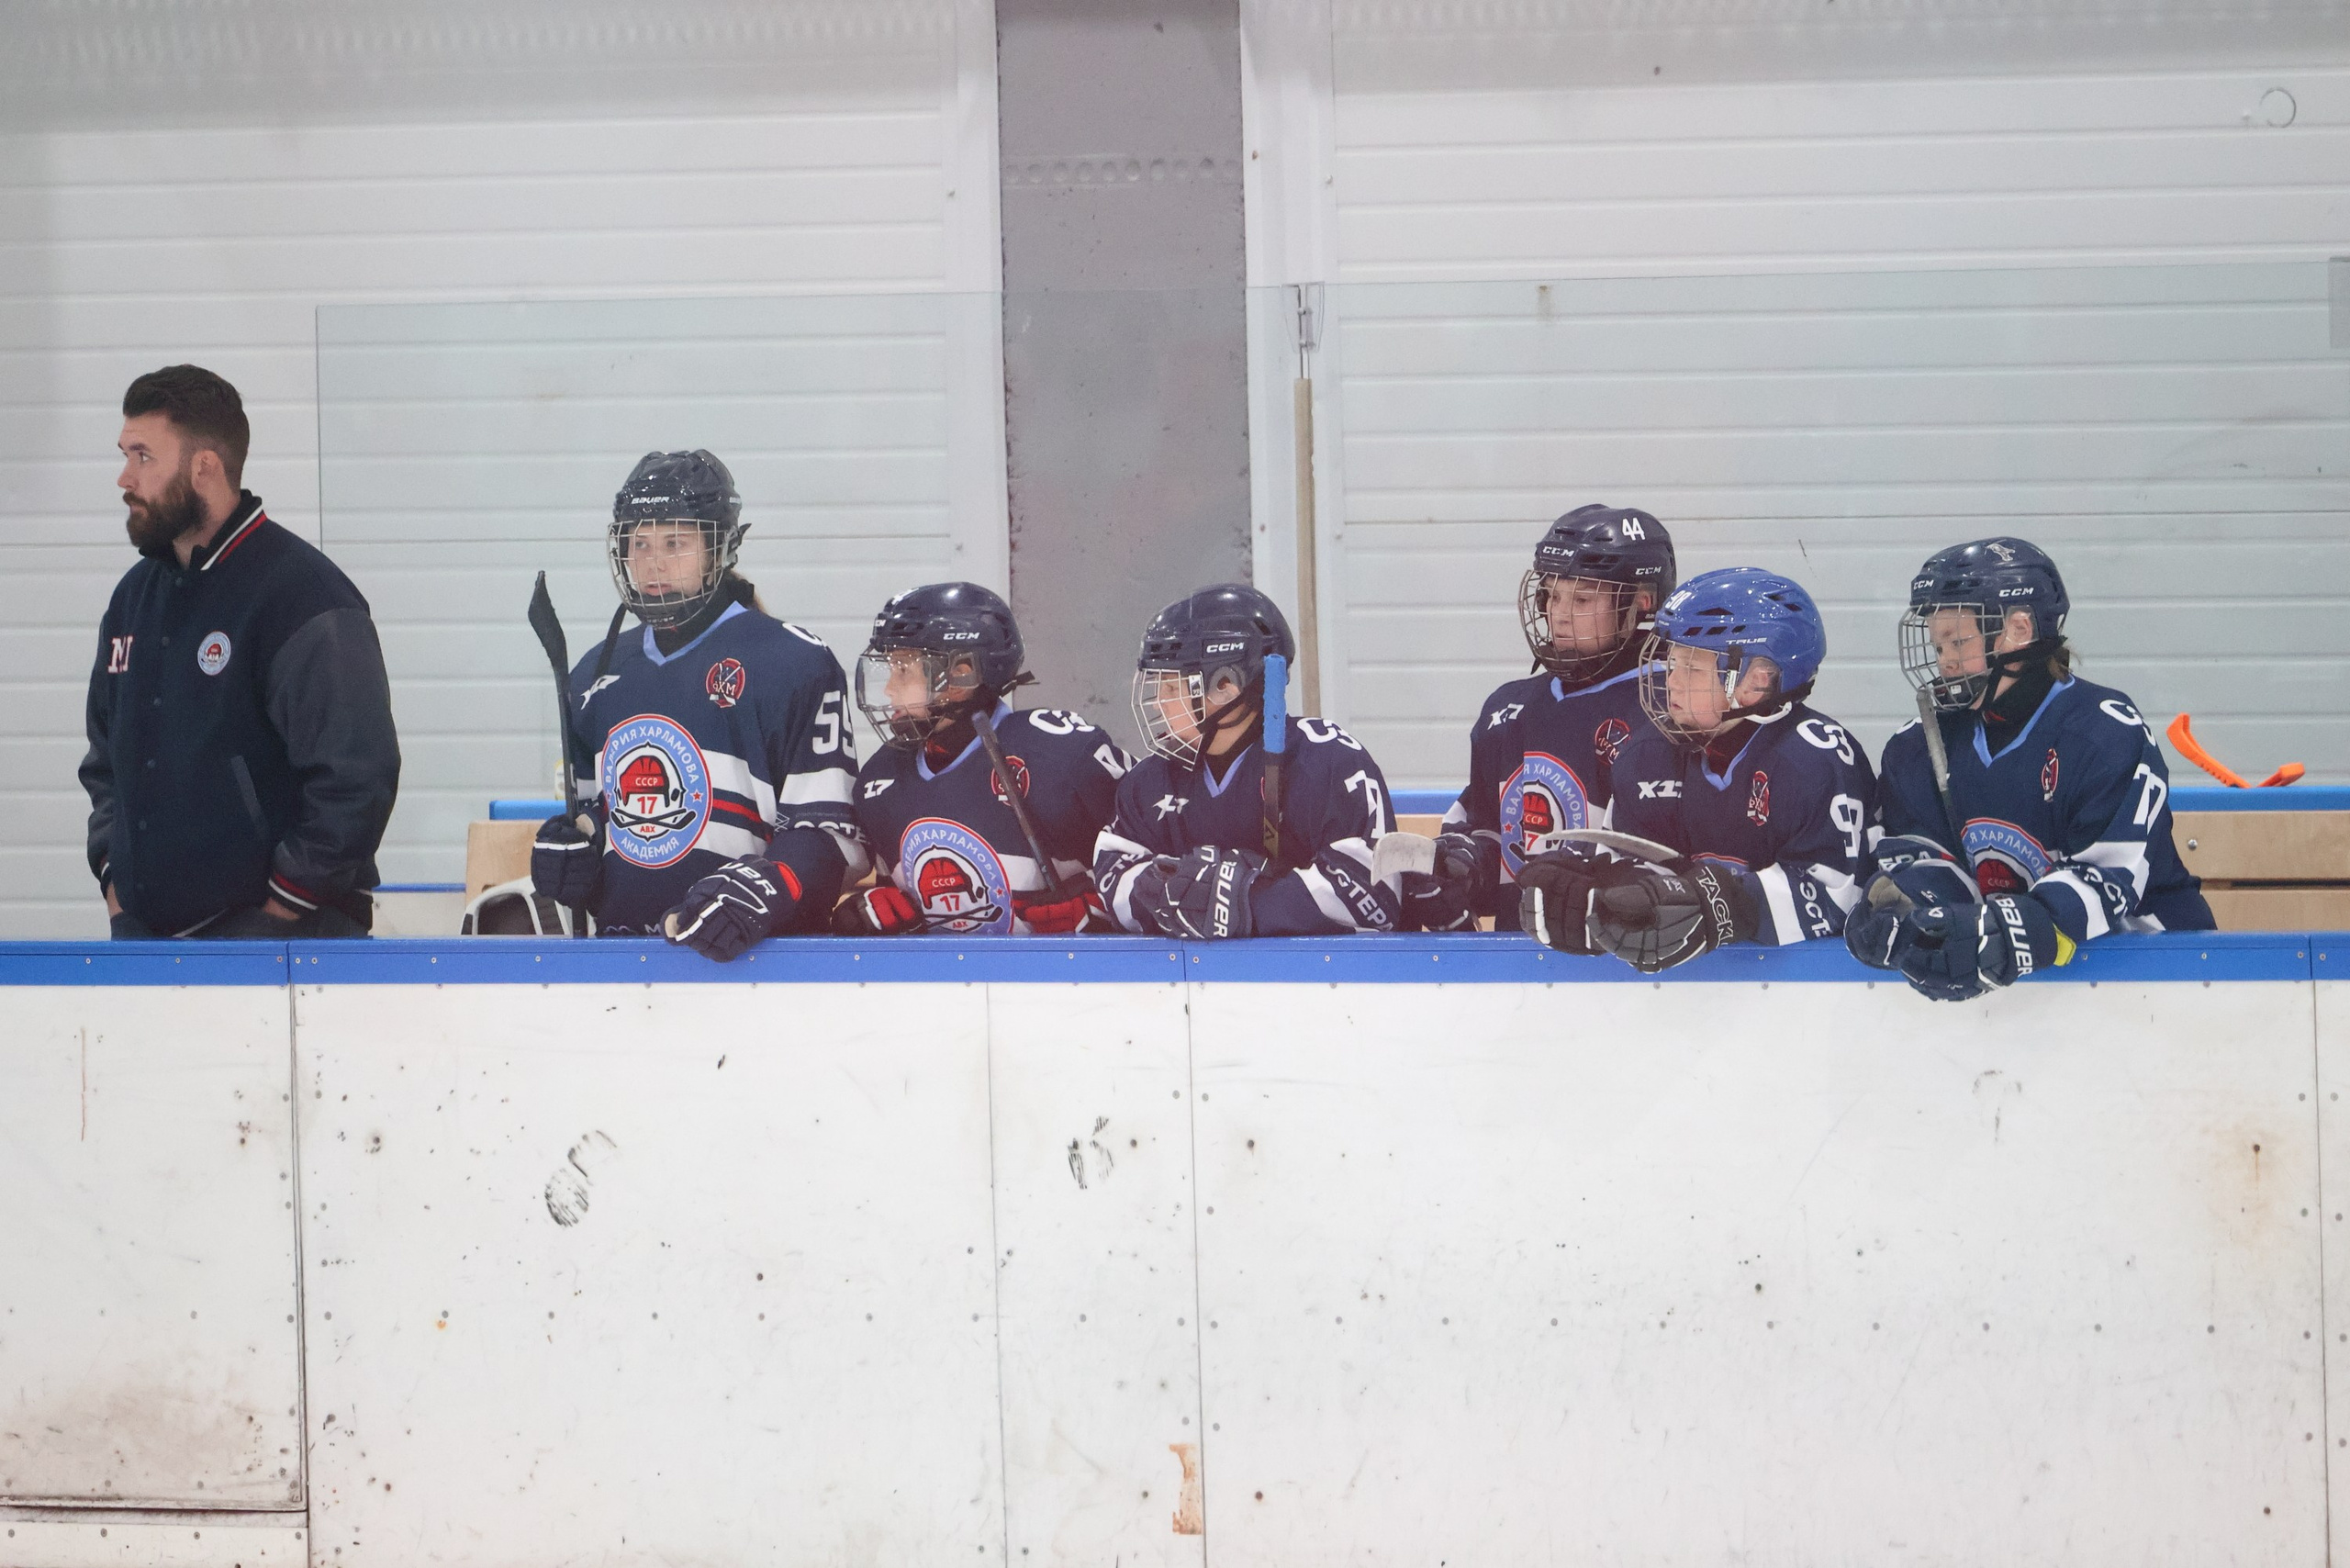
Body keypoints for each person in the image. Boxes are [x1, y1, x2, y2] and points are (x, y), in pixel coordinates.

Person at [81, 364, 399, 939]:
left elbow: (356, 779)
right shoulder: (131, 600)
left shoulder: (304, 596)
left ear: (204, 467)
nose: (124, 477)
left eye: (143, 456)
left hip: (283, 944)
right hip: (145, 941)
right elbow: (106, 763)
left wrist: (275, 915)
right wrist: (115, 884)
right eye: (125, 454)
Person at [529, 450, 867, 958]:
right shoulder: (594, 674)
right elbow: (600, 817)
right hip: (622, 962)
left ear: (719, 547)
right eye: (638, 543)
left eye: (675, 543)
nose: (653, 562)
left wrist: (768, 889)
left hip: (757, 963)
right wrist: (576, 859)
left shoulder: (793, 662)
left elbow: (833, 837)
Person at [1846, 538, 2211, 1001]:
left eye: (1958, 641)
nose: (1944, 661)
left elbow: (2109, 880)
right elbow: (1929, 859)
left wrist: (2017, 929)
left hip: (2156, 970)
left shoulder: (2103, 730)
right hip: (2021, 989)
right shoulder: (1919, 745)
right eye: (1939, 645)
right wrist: (1913, 909)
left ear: (2018, 629)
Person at [1517, 567, 1876, 971]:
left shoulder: (1814, 759)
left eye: (1692, 666)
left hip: (1817, 1007)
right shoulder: (1647, 755)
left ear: (1756, 682)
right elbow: (1633, 868)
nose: (1670, 679)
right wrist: (1599, 902)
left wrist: (1726, 905)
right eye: (1671, 661)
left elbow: (1839, 899)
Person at [1093, 584, 1403, 938]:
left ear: (1227, 685)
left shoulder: (1329, 761)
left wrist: (1245, 901)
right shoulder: (1150, 779)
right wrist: (1162, 892)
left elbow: (1373, 896)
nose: (1161, 704)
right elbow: (1115, 874)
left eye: (1172, 688)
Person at [1423, 504, 1675, 932]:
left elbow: (1671, 861)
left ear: (1642, 604)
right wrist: (1465, 863)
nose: (1558, 613)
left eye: (1582, 598)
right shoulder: (1509, 707)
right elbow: (1487, 823)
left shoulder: (1673, 707)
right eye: (1552, 594)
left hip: (1625, 966)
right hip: (1519, 967)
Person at [834, 582, 1130, 935]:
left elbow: (1156, 861)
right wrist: (869, 912)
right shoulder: (880, 778)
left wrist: (1106, 908)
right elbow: (893, 898)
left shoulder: (1062, 757)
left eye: (904, 670)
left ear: (961, 674)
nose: (889, 689)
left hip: (1064, 984)